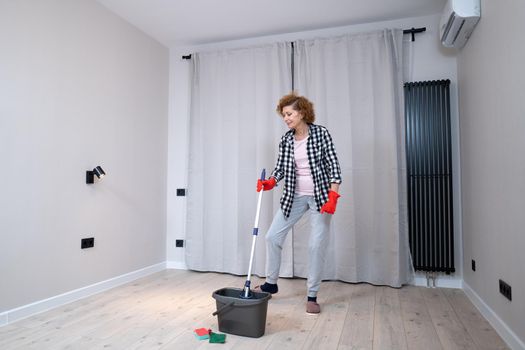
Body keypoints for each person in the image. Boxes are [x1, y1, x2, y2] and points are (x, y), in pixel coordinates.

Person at [254, 92, 342, 314]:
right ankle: (271, 283)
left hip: (320, 197)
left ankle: (312, 295)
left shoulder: (321, 134)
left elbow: (334, 165)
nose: (286, 118)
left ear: (302, 113)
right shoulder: (286, 139)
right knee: (272, 237)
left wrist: (333, 195)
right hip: (294, 196)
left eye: (289, 113)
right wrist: (270, 181)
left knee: (315, 245)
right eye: (283, 114)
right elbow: (282, 167)